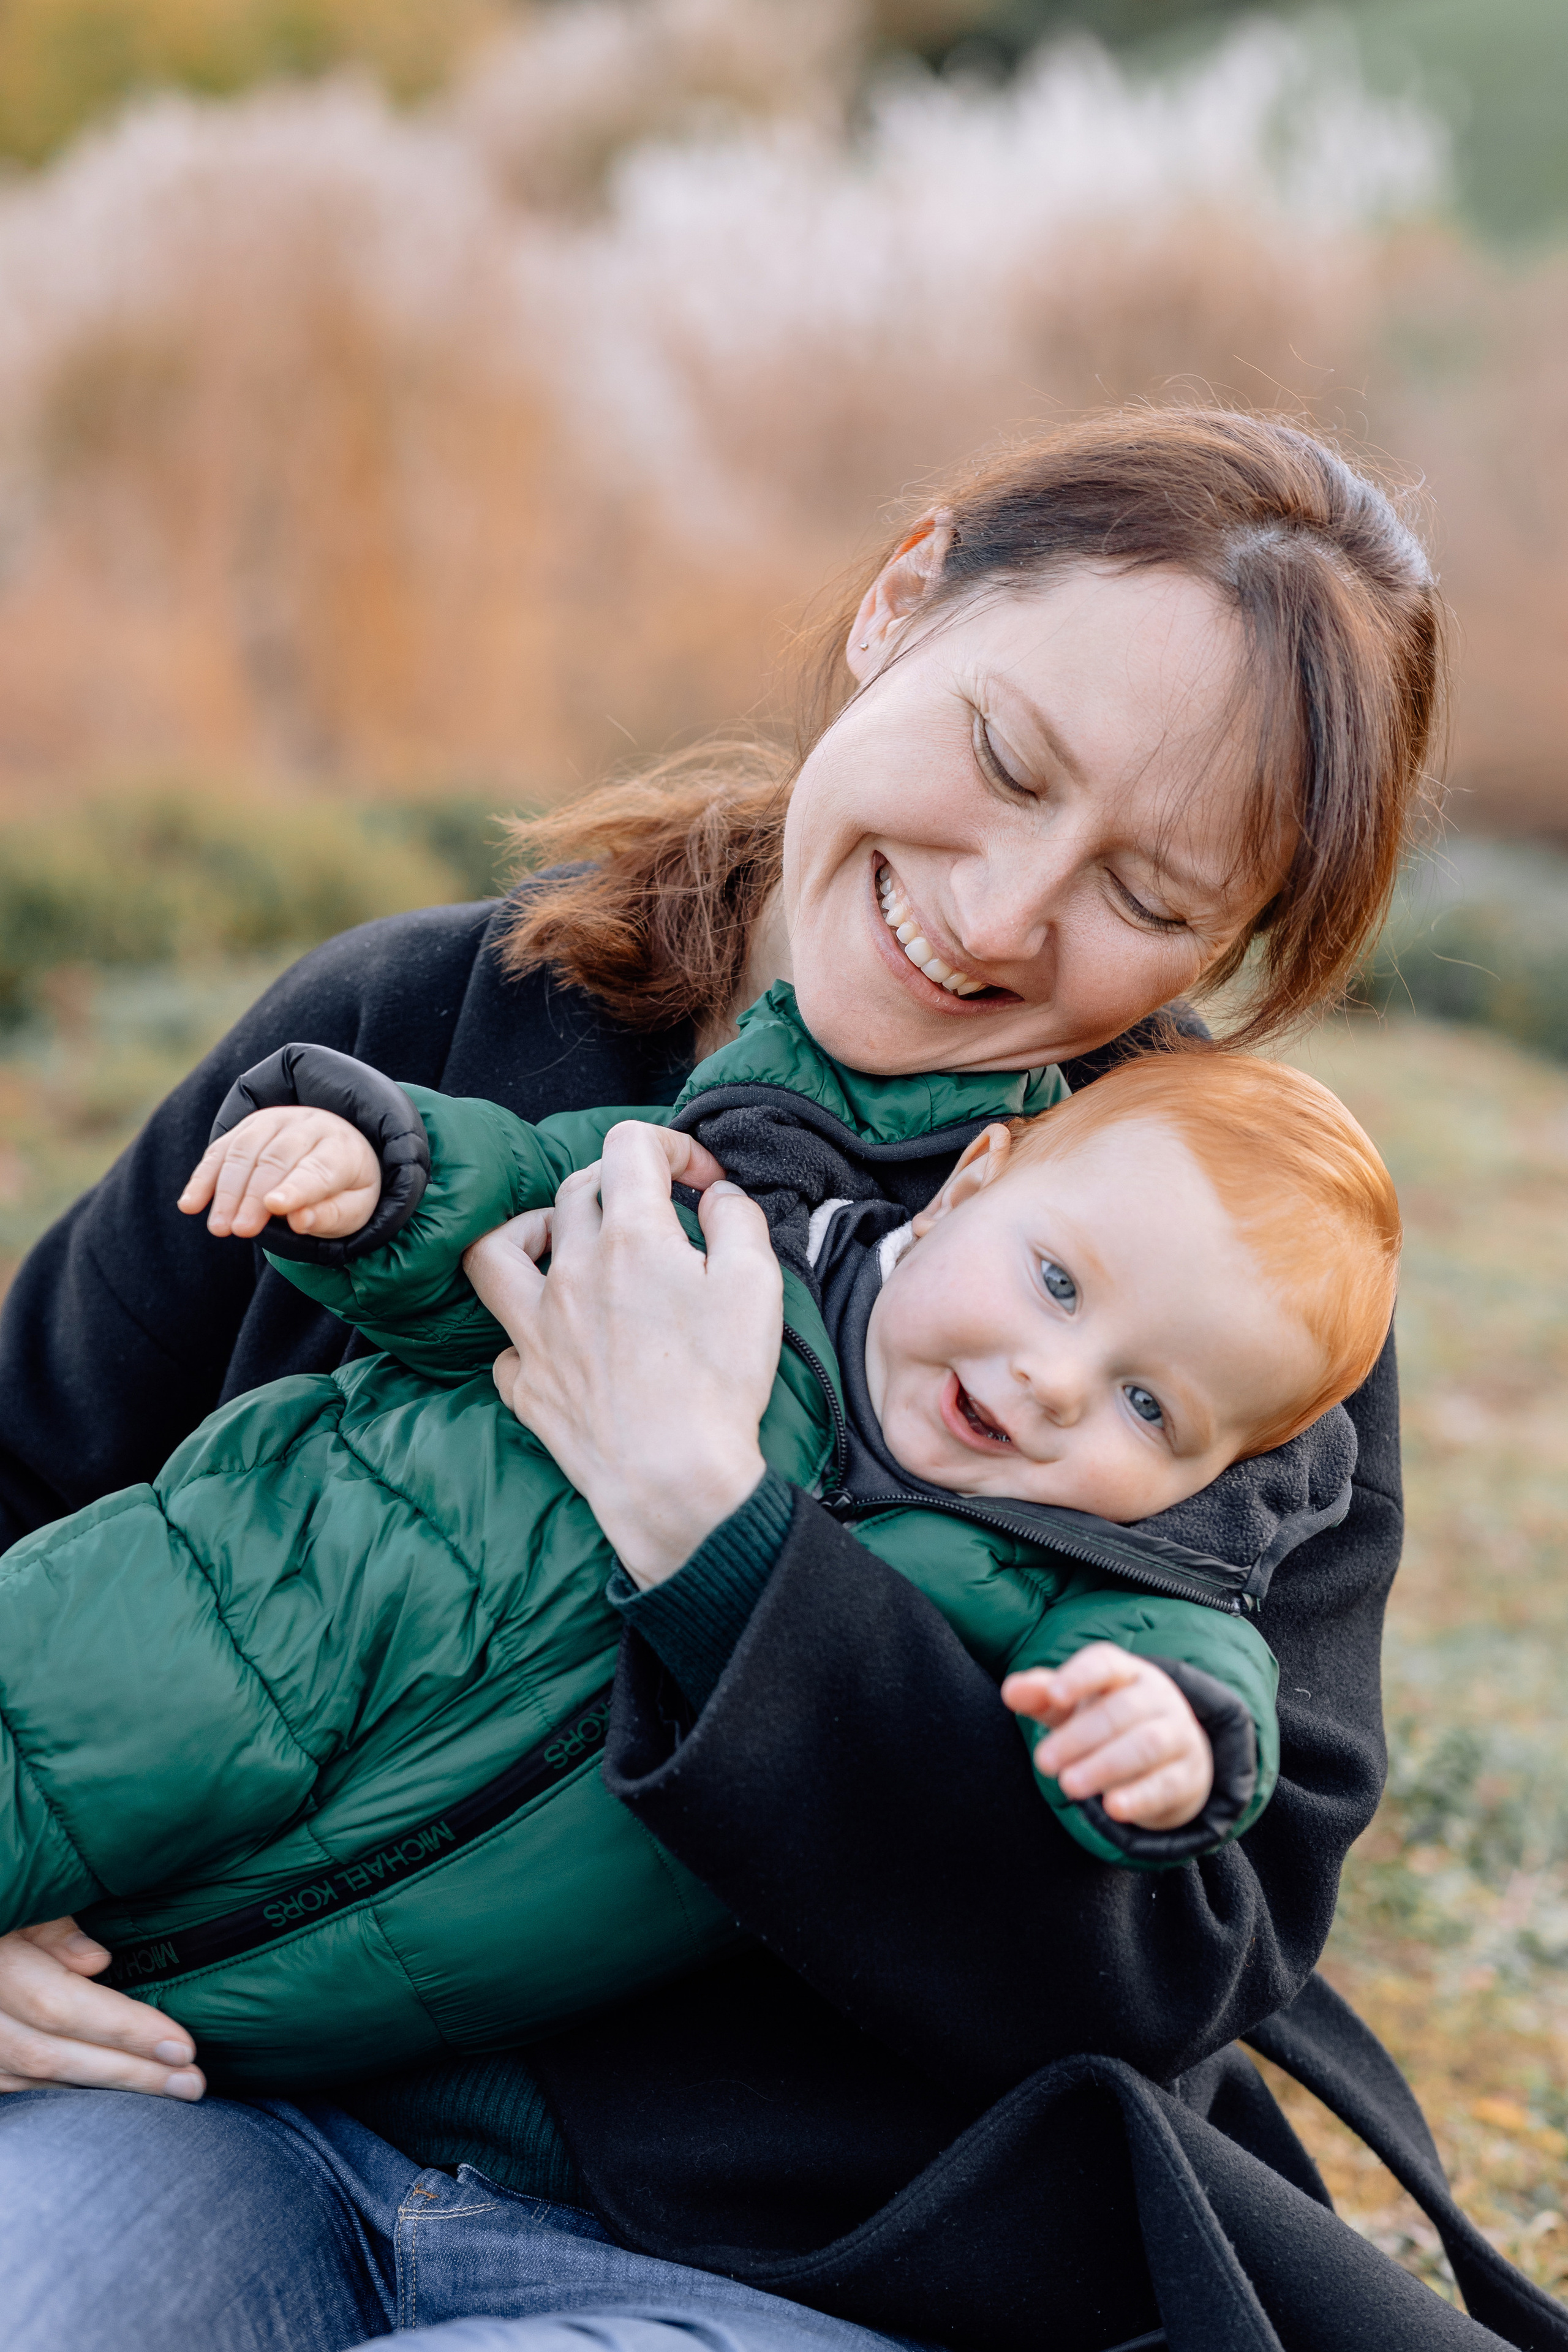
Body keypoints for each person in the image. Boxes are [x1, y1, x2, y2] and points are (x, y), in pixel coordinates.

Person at [4, 407, 1550, 2351]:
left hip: (792, 2252)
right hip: (205, 2096)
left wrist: (709, 1530)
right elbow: (27, 1471)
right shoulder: (417, 1032)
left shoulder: (1214, 1328)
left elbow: (1171, 1955)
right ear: (905, 601)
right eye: (1007, 761)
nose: (997, 918)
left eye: (1149, 898)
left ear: (1231, 950)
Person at [0, 1002, 1398, 2089]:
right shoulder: (736, 1217)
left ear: (1216, 1473)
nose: (1051, 1380)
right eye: (1054, 1282)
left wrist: (1167, 1741)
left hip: (322, 1989)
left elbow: (1184, 1672)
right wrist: (378, 1173)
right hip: (194, 1636)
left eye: (1148, 1406)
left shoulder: (1071, 1582)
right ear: (972, 1179)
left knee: (125, 2044)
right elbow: (507, 1206)